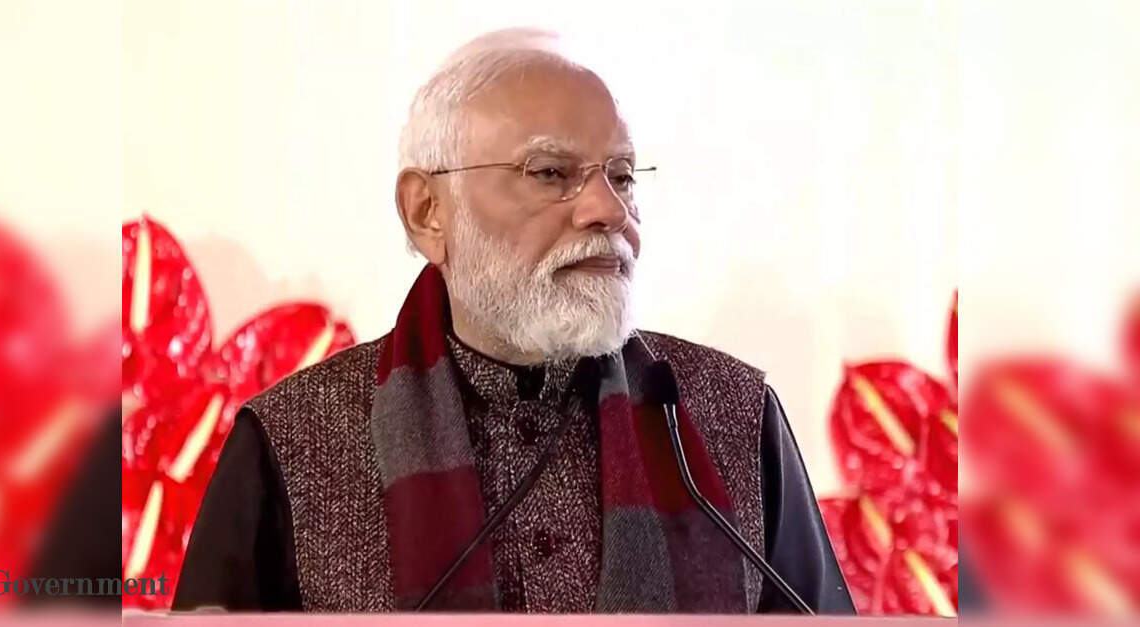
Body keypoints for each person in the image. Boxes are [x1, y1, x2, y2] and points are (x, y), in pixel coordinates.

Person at [173, 28, 853, 614]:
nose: (608, 210)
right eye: (551, 172)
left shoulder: (732, 413)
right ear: (427, 212)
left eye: (622, 175)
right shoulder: (292, 438)